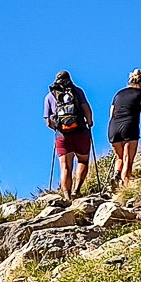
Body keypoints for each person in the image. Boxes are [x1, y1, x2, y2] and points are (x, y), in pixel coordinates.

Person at [44, 70, 94, 198]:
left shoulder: (50, 96)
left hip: (62, 135)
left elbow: (48, 122)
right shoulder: (77, 91)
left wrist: (57, 128)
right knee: (82, 161)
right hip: (80, 131)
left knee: (65, 166)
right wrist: (89, 122)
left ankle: (67, 196)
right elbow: (87, 109)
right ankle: (76, 191)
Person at [108, 69, 141, 191]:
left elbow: (111, 113)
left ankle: (116, 174)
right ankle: (125, 185)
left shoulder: (118, 94)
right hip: (129, 126)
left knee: (119, 156)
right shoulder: (140, 93)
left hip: (113, 127)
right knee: (128, 158)